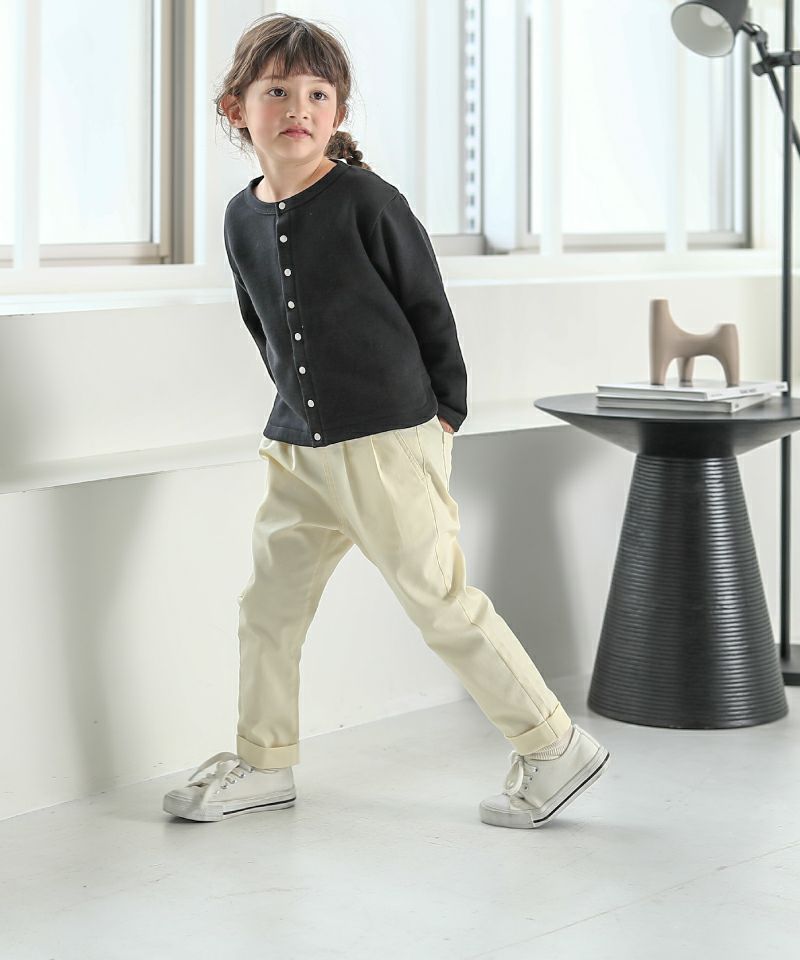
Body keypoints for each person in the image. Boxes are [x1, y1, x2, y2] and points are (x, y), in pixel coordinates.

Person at [162, 12, 610, 828]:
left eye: (317, 94)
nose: (297, 108)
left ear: (337, 111)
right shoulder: (238, 218)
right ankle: (265, 761)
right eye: (277, 91)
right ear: (237, 109)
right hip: (297, 447)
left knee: (439, 601)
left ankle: (555, 745)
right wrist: (294, 411)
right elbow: (264, 328)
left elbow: (428, 309)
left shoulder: (368, 201)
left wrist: (443, 416)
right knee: (268, 609)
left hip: (388, 440)